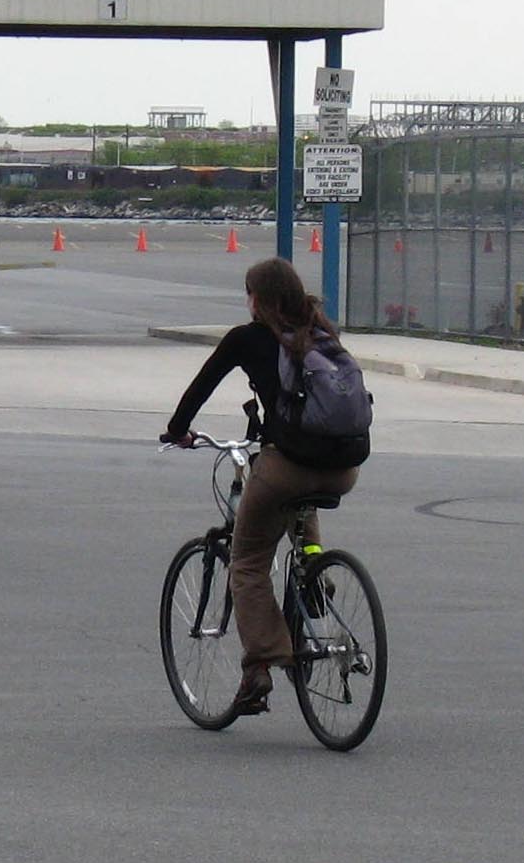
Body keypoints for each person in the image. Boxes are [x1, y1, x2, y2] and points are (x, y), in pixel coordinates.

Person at [161, 256, 361, 716]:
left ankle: (260, 669)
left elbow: (200, 388)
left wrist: (178, 430)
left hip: (286, 464)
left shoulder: (246, 338)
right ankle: (313, 577)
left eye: (248, 292)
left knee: (248, 562)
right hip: (344, 466)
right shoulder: (321, 332)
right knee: (300, 508)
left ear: (259, 297)